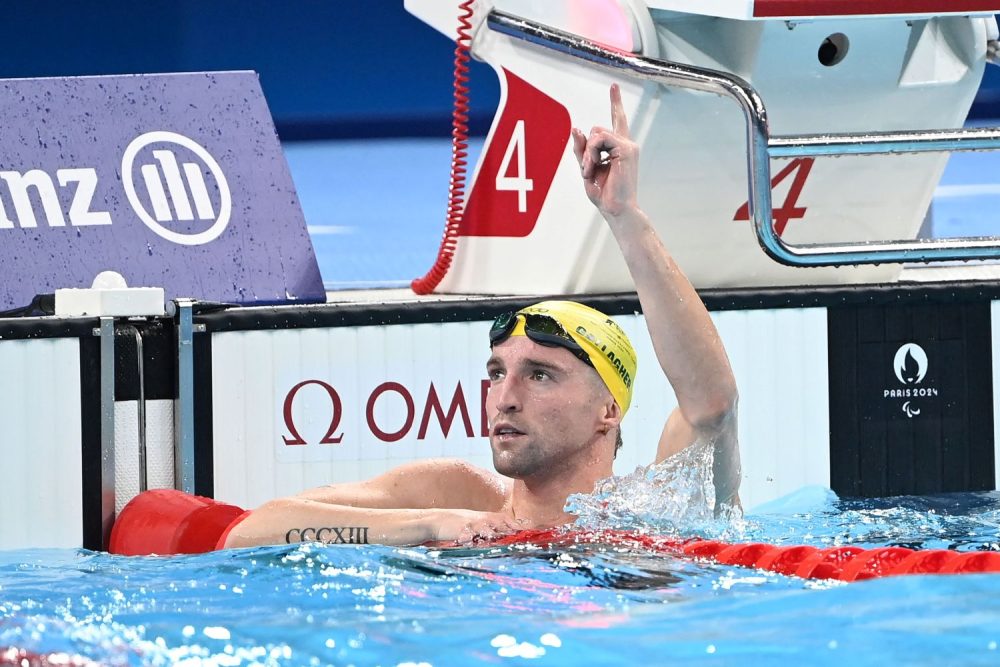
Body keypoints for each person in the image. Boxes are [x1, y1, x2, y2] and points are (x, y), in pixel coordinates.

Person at [222, 84, 740, 549]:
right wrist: (424, 525)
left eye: (539, 375)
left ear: (608, 409)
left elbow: (711, 405)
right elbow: (252, 531)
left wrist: (626, 219)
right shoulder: (453, 494)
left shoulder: (655, 511)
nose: (504, 399)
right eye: (497, 373)